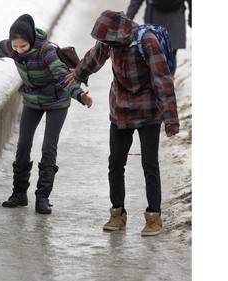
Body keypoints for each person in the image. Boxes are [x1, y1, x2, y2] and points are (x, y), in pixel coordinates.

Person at [0, 14, 92, 215]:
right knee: (23, 145)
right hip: (32, 100)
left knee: (49, 146)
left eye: (24, 46)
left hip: (57, 101)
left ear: (31, 39)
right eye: (16, 47)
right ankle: (19, 193)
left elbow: (60, 73)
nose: (20, 50)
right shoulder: (11, 48)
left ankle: (43, 197)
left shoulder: (46, 51)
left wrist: (79, 94)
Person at [66, 10, 179, 236]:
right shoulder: (110, 41)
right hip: (120, 109)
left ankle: (154, 217)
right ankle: (117, 213)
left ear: (118, 32)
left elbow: (162, 80)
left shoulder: (146, 41)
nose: (104, 43)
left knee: (149, 164)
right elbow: (94, 57)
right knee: (115, 163)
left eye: (106, 40)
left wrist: (170, 120)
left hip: (148, 111)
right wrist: (77, 74)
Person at [126, 0, 192, 76]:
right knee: (171, 53)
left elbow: (136, 2)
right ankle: (168, 80)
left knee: (154, 53)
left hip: (154, 15)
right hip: (176, 17)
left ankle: (157, 81)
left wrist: (127, 20)